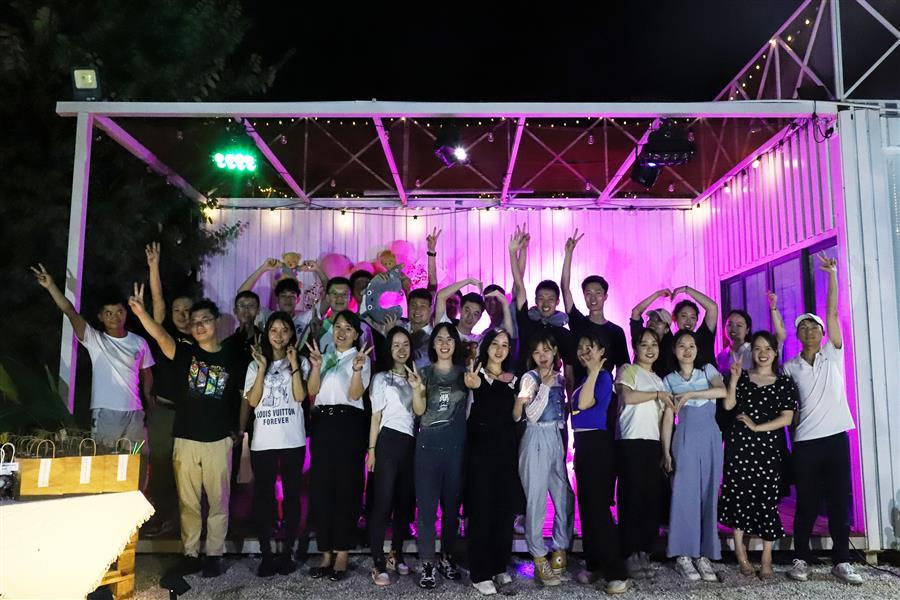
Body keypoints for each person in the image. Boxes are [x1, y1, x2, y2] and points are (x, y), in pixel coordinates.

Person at [129, 288, 241, 578]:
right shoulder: (186, 353)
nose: (200, 326)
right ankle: (191, 553)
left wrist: (237, 430)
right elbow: (160, 336)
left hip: (218, 440)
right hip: (186, 438)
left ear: (217, 322)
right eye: (195, 322)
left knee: (218, 500)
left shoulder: (231, 357)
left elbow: (239, 396)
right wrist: (141, 313)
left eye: (206, 320)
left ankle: (214, 554)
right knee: (188, 501)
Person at [783, 253, 862, 585]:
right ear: (798, 334)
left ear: (821, 331)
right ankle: (801, 558)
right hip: (806, 442)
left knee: (839, 500)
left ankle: (842, 561)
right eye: (803, 327)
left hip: (835, 437)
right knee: (807, 503)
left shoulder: (833, 353)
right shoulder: (790, 366)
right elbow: (788, 406)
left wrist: (831, 275)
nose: (810, 330)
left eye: (814, 326)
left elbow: (831, 312)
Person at [31, 264, 154, 450]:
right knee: (105, 458)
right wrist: (51, 287)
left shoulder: (139, 342)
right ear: (101, 317)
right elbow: (70, 312)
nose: (115, 317)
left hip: (135, 412)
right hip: (106, 413)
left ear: (126, 313)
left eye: (119, 312)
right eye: (109, 313)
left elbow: (147, 372)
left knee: (138, 459)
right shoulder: (95, 340)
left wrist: (148, 395)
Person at [719, 331, 797, 579]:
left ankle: (766, 558)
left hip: (769, 448)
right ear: (751, 352)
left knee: (767, 499)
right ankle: (740, 554)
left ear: (775, 352)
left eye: (768, 349)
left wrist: (757, 427)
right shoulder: (742, 377)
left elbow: (787, 418)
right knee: (739, 496)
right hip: (740, 446)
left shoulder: (784, 382)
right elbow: (728, 405)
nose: (762, 353)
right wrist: (733, 380)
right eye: (757, 348)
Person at [305, 310, 372, 581]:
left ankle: (342, 553)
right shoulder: (325, 355)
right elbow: (312, 391)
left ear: (356, 334)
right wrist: (317, 367)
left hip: (349, 425)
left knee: (347, 488)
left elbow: (355, 394)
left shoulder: (361, 358)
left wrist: (356, 370)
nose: (341, 332)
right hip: (323, 424)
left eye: (348, 328)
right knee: (322, 488)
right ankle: (325, 553)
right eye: (338, 327)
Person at [244, 312, 309, 577]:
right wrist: (261, 369)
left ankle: (287, 553)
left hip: (292, 439)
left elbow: (300, 396)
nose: (279, 335)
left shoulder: (301, 361)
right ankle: (266, 554)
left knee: (292, 496)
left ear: (291, 333)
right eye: (274, 330)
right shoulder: (255, 364)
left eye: (284, 330)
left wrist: (294, 364)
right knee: (264, 497)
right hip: (263, 441)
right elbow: (252, 401)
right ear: (266, 334)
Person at [408, 322, 472, 589]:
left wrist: (476, 382)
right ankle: (427, 562)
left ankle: (447, 556)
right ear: (433, 344)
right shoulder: (423, 373)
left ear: (456, 344)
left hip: (456, 450)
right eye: (440, 339)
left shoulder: (465, 374)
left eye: (449, 339)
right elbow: (419, 410)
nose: (445, 344)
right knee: (426, 509)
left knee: (451, 509)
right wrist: (416, 389)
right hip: (428, 450)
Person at [660, 330, 727, 583]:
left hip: (710, 438)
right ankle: (683, 555)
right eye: (682, 345)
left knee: (708, 494)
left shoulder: (708, 371)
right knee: (683, 495)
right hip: (685, 438)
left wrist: (690, 395)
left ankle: (704, 554)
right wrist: (665, 451)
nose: (687, 350)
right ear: (674, 350)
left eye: (692, 345)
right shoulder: (668, 380)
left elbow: (721, 392)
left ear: (698, 349)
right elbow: (668, 417)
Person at [570, 332, 631, 595]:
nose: (584, 351)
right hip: (583, 445)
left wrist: (596, 369)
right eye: (581, 347)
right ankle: (594, 564)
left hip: (598, 446)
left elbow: (584, 404)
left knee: (598, 510)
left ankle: (617, 572)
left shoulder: (603, 377)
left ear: (602, 352)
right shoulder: (585, 378)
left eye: (590, 348)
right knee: (587, 509)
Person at [513, 332, 573, 587]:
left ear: (555, 351)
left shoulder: (561, 377)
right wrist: (545, 386)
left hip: (555, 437)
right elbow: (532, 414)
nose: (542, 356)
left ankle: (560, 547)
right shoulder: (530, 378)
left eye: (546, 350)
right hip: (535, 437)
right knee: (536, 500)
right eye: (537, 352)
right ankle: (538, 556)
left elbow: (563, 412)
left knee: (564, 496)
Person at [143, 242, 193, 537]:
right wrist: (153, 267)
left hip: (188, 414)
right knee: (160, 466)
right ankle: (157, 517)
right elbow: (157, 300)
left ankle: (178, 520)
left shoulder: (202, 338)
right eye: (178, 310)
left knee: (184, 469)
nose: (182, 315)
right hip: (163, 411)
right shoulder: (165, 332)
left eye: (188, 310)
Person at [614, 328, 671, 580]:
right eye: (644, 344)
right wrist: (658, 395)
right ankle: (629, 552)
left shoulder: (659, 380)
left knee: (650, 499)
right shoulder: (628, 370)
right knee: (632, 498)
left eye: (654, 344)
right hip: (630, 441)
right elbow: (627, 397)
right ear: (635, 348)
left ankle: (644, 551)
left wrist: (666, 451)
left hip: (652, 443)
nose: (649, 349)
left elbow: (664, 418)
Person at [465, 328, 519, 595]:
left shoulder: (514, 379)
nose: (499, 349)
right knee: (482, 509)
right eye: (495, 343)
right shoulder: (476, 375)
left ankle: (499, 566)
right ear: (486, 346)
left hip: (506, 450)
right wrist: (472, 382)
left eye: (505, 345)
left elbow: (517, 415)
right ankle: (480, 572)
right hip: (480, 452)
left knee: (504, 510)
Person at [367, 327, 417, 586]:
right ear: (389, 349)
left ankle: (395, 554)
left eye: (405, 344)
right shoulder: (381, 379)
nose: (401, 349)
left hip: (410, 443)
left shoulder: (415, 377)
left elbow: (419, 411)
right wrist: (371, 450)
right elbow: (375, 417)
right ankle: (377, 561)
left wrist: (417, 387)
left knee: (404, 503)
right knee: (383, 503)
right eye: (396, 344)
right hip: (387, 441)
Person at [508, 230, 575, 375]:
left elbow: (569, 370)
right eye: (541, 298)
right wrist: (514, 253)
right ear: (535, 301)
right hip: (523, 383)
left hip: (552, 386)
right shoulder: (526, 320)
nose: (545, 303)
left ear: (557, 302)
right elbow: (519, 286)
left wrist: (568, 254)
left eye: (550, 299)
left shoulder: (564, 333)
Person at [238, 258, 314, 337]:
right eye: (283, 295)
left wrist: (318, 270)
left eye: (292, 296)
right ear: (277, 299)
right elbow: (241, 296)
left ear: (297, 300)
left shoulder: (305, 318)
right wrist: (263, 268)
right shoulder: (266, 316)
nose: (287, 299)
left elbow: (324, 305)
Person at [716, 292, 786, 373]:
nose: (733, 328)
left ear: (747, 330)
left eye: (739, 325)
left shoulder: (754, 349)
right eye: (729, 324)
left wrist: (773, 309)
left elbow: (780, 335)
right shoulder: (721, 356)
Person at [629, 290, 674, 378]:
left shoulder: (672, 347)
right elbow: (636, 312)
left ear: (666, 329)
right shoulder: (640, 336)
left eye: (659, 320)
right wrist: (657, 294)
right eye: (651, 319)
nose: (652, 322)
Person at [671, 286, 719, 369]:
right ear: (675, 318)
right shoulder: (671, 342)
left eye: (693, 317)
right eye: (684, 316)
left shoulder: (703, 336)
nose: (688, 321)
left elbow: (712, 308)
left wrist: (686, 289)